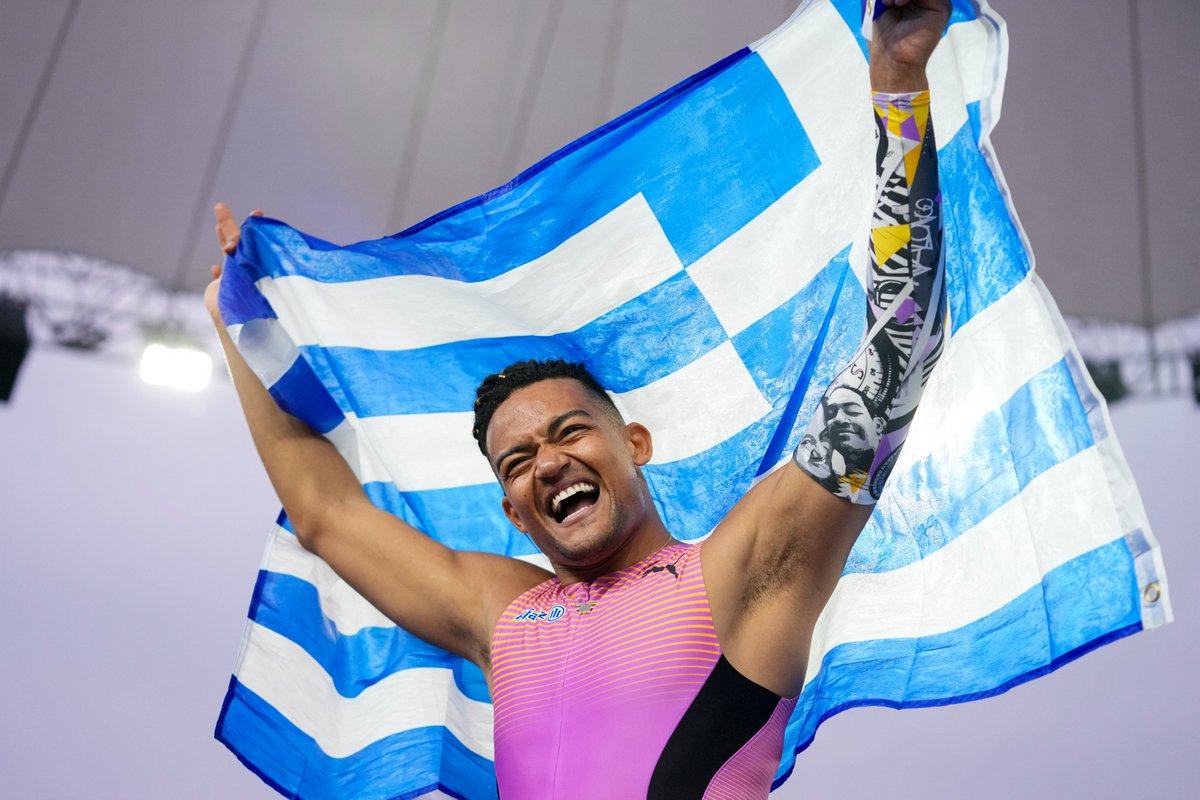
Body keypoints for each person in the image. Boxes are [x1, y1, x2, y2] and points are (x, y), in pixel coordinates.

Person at [206, 1, 949, 796]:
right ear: (513, 512)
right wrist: (238, 324)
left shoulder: (741, 570)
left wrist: (898, 82)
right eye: (518, 460)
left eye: (568, 431)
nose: (549, 462)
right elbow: (326, 515)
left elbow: (900, 351)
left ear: (635, 443)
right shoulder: (501, 611)